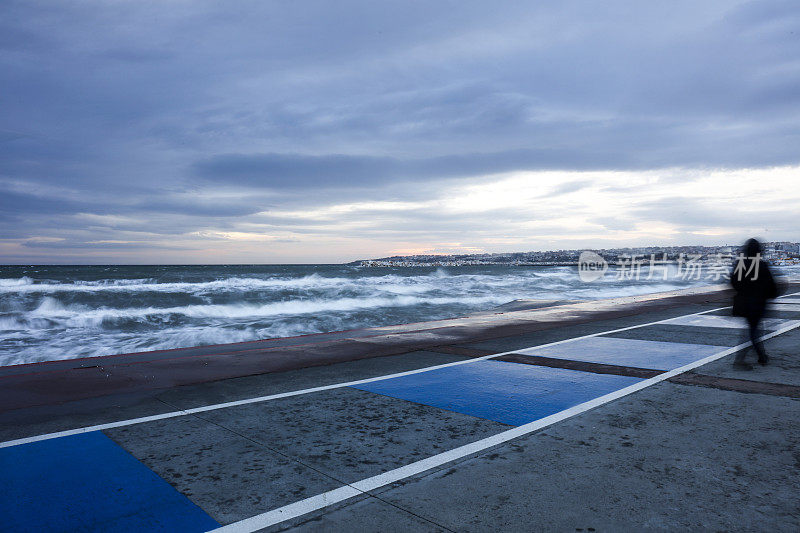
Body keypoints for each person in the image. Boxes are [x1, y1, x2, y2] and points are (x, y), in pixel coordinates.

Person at [730, 238, 778, 370]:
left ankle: (761, 356)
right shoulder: (761, 265)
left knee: (753, 330)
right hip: (758, 304)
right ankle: (743, 360)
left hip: (744, 304)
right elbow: (772, 286)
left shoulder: (740, 263)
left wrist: (743, 291)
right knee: (753, 331)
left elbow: (734, 282)